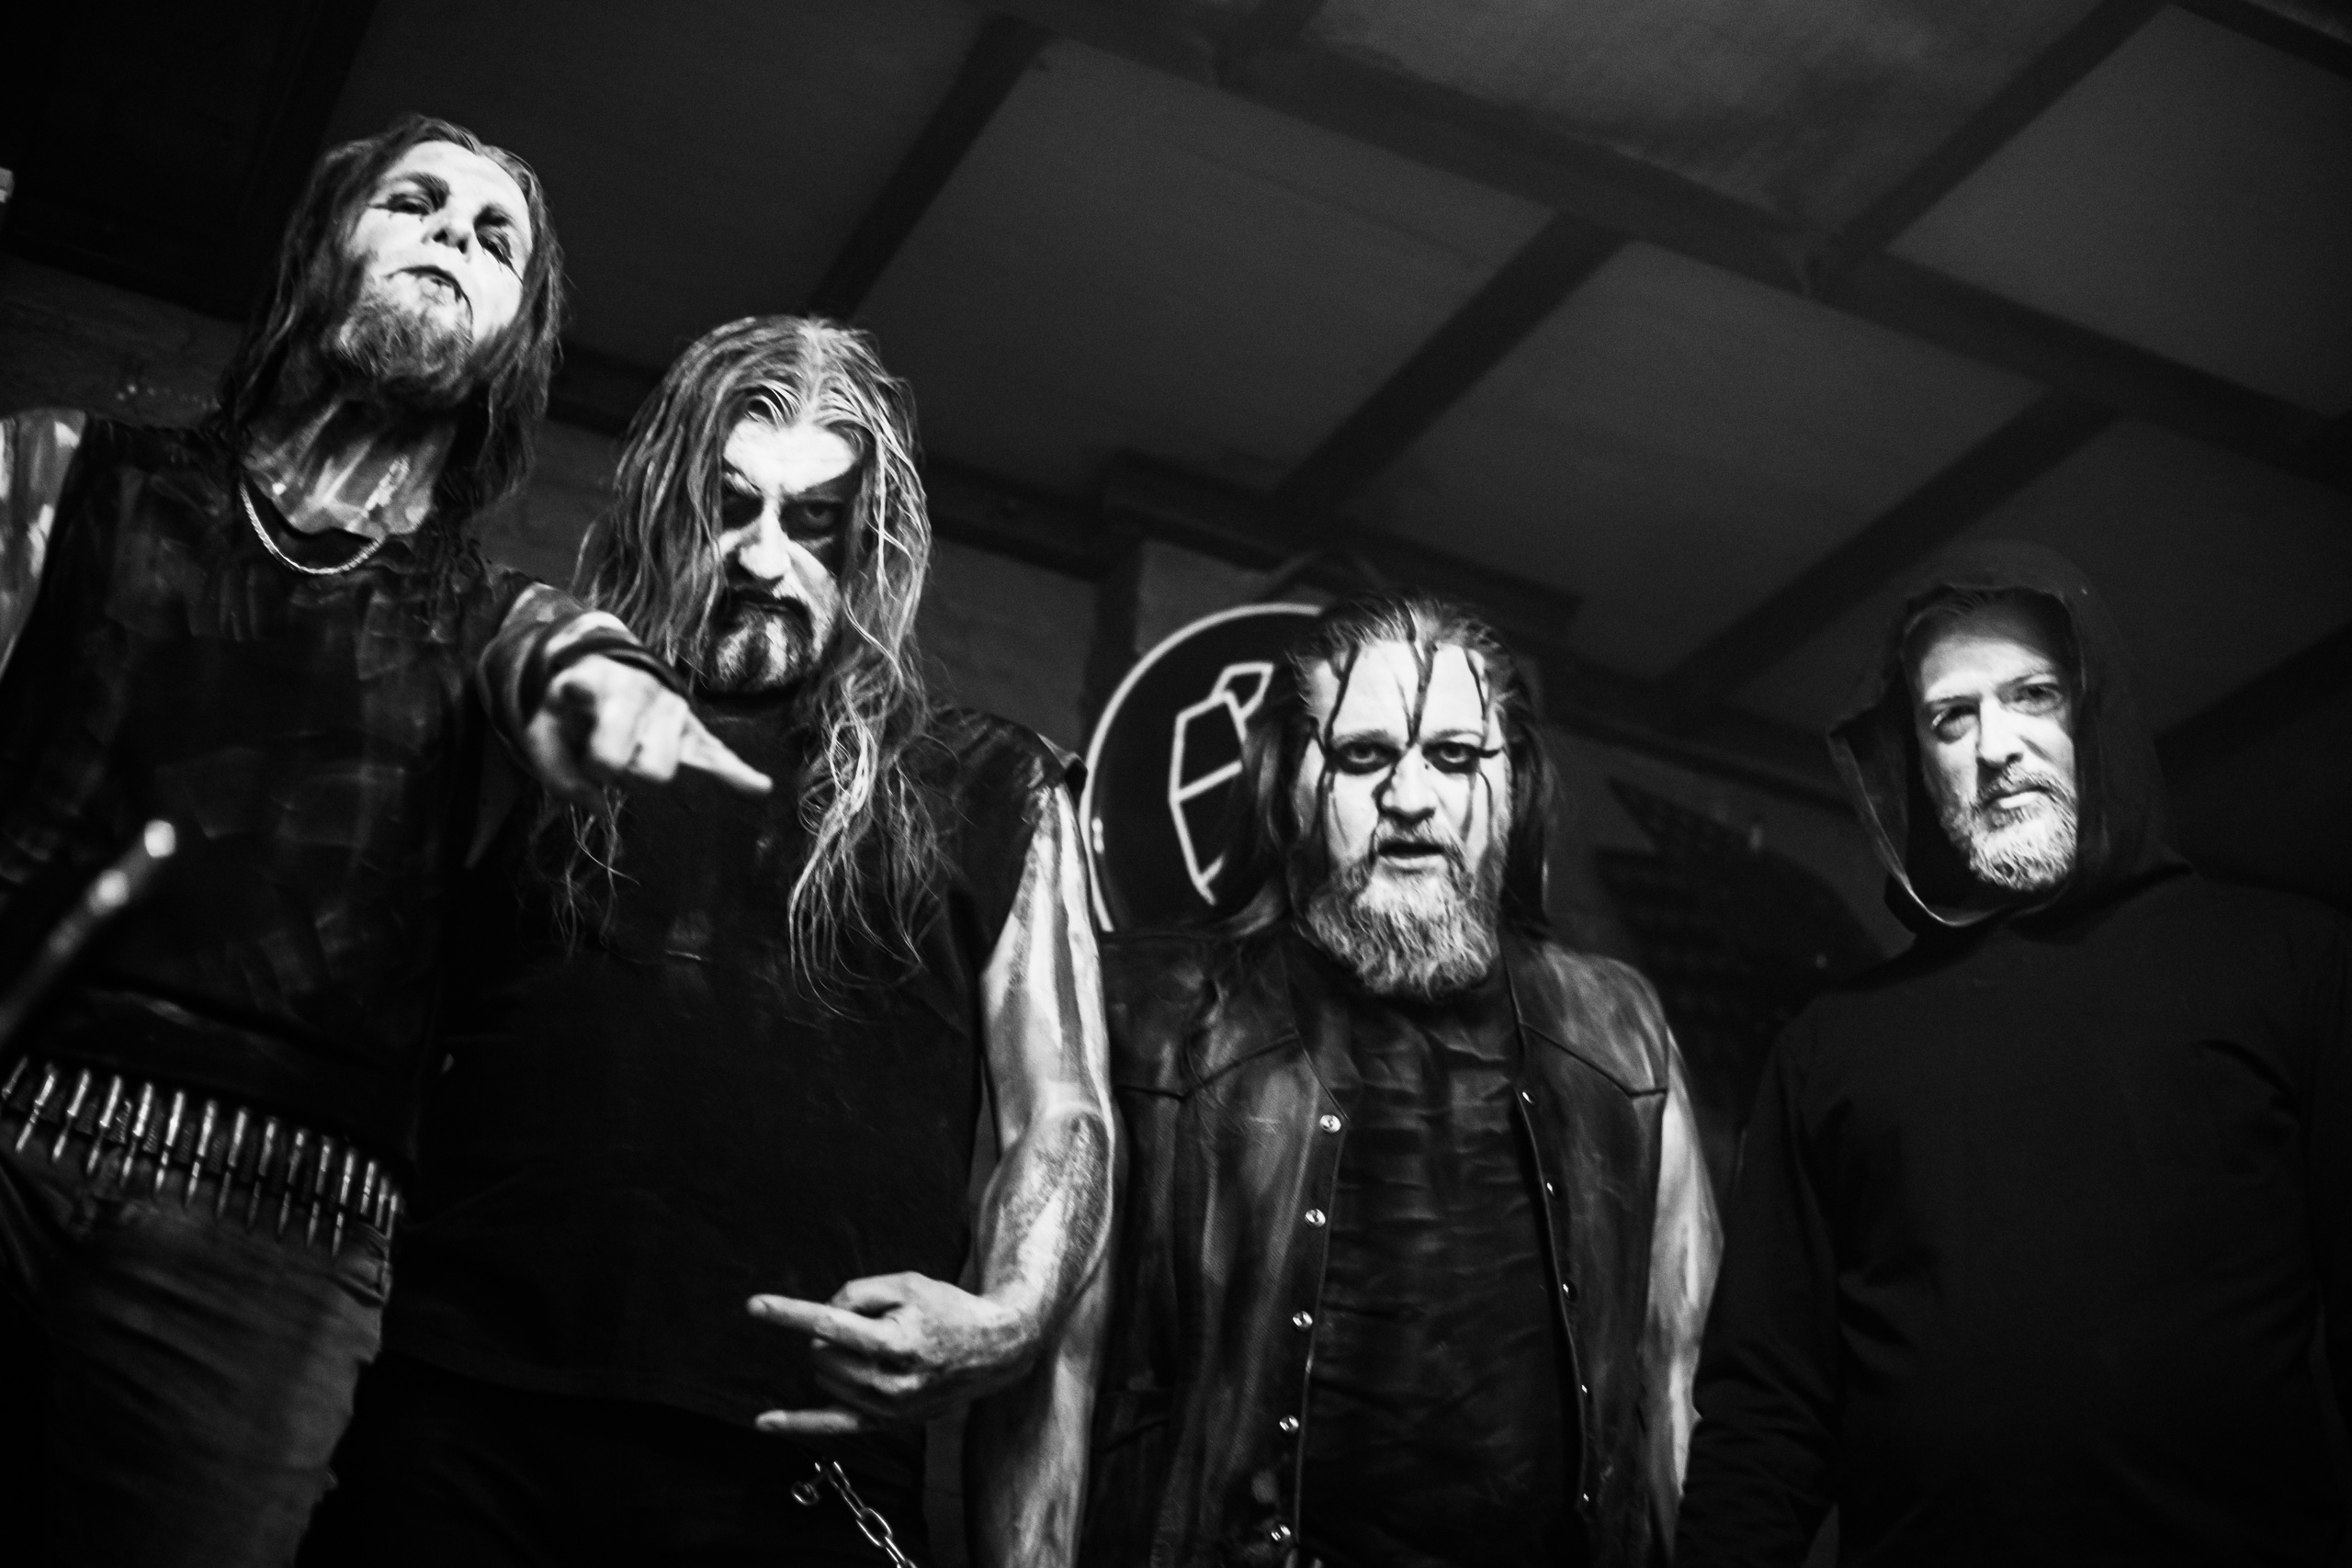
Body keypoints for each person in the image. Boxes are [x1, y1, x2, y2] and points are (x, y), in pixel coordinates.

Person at [0, 114, 760, 1566]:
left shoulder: (499, 621)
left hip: (272, 1238)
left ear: (514, 342)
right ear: (320, 252)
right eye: (416, 201)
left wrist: (613, 693)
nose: (452, 235)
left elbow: (571, 659)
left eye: (495, 238)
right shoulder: (60, 470)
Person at [304, 316, 1115, 1567]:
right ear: (660, 509)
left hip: (797, 1456)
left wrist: (1005, 1320)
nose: (764, 557)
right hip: (463, 1419)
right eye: (729, 507)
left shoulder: (989, 781)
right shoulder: (544, 715)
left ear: (870, 546)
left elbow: (1061, 1109)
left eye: (815, 522)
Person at [1675, 541, 2352, 1565]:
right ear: (1915, 759)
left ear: (2096, 709)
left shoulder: (2290, 965)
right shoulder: (1833, 1047)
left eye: (2034, 695)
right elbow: (1766, 1408)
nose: (1996, 746)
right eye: (1952, 717)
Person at [1081, 590, 1720, 1568]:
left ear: (1515, 787)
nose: (1411, 797)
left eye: (1454, 756)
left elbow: (1682, 1380)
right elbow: (1055, 1375)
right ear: (1289, 786)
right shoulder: (1152, 1011)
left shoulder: (1620, 1030)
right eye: (1364, 753)